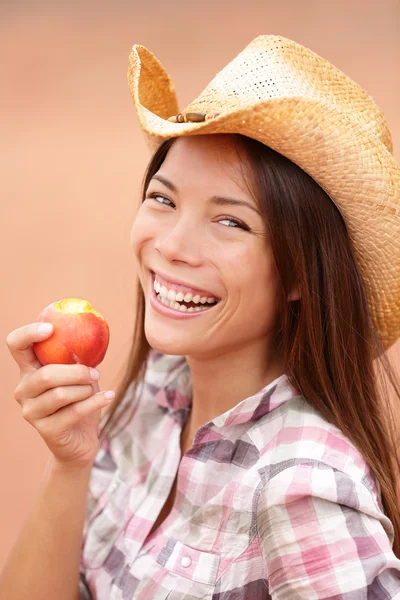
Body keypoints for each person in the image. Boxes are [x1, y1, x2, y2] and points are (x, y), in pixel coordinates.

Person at [1, 34, 400, 600]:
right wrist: (71, 462)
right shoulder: (157, 391)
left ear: (298, 276)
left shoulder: (303, 488)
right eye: (163, 199)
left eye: (231, 222)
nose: (172, 245)